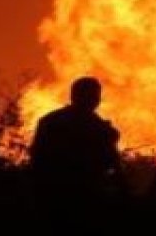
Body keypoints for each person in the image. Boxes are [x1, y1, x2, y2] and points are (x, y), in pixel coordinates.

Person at [29, 76, 122, 234]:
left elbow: (36, 158)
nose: (94, 100)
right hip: (72, 197)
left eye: (95, 95)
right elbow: (112, 164)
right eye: (91, 95)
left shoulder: (51, 121)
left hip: (65, 197)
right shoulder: (98, 128)